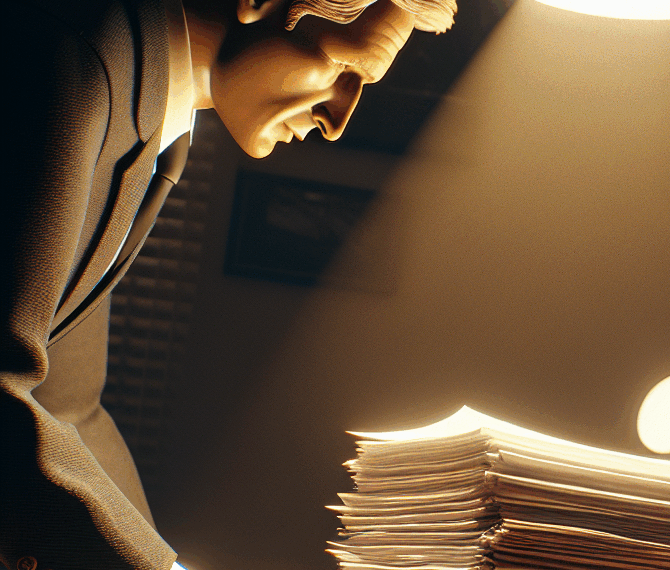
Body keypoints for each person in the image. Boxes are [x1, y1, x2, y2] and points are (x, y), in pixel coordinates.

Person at [0, 0, 455, 568]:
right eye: (344, 68)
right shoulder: (80, 61)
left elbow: (70, 403)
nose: (337, 121)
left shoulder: (157, 117)